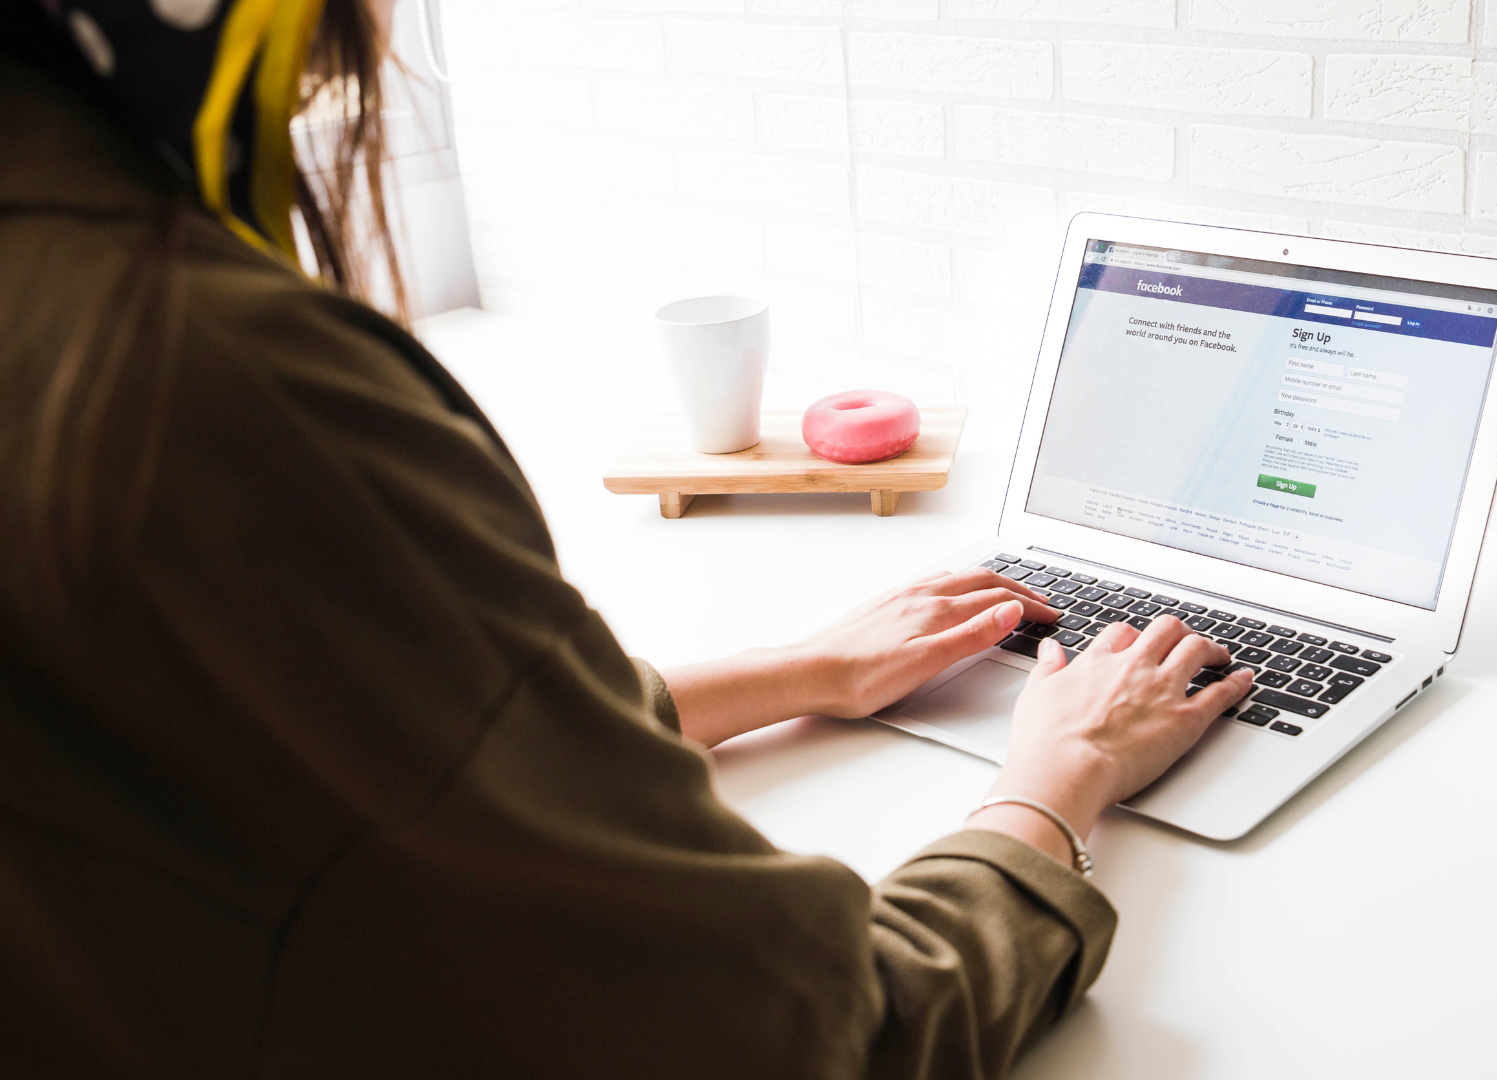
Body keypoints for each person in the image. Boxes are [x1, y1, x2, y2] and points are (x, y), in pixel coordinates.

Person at [0, 0, 1255, 1075]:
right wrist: (1054, 781)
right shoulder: (209, 384)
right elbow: (820, 1042)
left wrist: (798, 673)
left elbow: (338, 736)